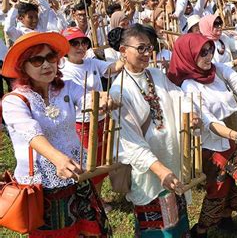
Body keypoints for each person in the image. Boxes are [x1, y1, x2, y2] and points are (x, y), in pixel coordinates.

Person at [1, 31, 113, 237]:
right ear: (23, 66)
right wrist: (58, 160)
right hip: (44, 185)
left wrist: (101, 99)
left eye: (51, 57)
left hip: (77, 174)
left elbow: (87, 99)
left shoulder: (66, 87)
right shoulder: (14, 100)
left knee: (93, 230)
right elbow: (32, 134)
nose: (46, 65)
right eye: (37, 59)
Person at [167, 33, 237, 237]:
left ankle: (226, 218)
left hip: (234, 139)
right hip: (214, 147)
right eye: (202, 52)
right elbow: (209, 122)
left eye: (210, 49)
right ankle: (201, 229)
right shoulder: (189, 86)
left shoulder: (216, 70)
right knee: (218, 190)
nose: (209, 55)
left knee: (236, 186)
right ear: (188, 55)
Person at [109, 24, 194, 237]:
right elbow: (130, 143)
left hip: (172, 157)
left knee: (178, 223)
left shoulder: (155, 74)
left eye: (149, 48)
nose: (147, 54)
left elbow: (177, 95)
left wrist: (190, 113)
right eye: (141, 49)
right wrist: (160, 170)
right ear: (123, 51)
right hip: (150, 169)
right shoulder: (119, 90)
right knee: (156, 229)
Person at [60, 27, 123, 204]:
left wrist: (127, 54)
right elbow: (80, 96)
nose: (80, 47)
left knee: (102, 161)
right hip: (84, 122)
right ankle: (87, 200)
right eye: (74, 43)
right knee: (87, 163)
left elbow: (112, 68)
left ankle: (98, 199)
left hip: (102, 117)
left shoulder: (92, 62)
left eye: (83, 42)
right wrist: (102, 95)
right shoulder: (65, 70)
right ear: (65, 46)